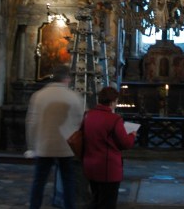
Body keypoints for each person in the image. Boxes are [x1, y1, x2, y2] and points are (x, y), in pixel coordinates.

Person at [26, 65, 84, 209]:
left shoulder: (39, 95)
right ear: (66, 78)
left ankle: (34, 206)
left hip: (44, 145)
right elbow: (80, 122)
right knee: (68, 181)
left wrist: (31, 146)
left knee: (39, 181)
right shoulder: (74, 96)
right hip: (66, 146)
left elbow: (31, 122)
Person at [82, 87, 136, 209]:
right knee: (107, 203)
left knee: (96, 200)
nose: (116, 104)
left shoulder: (88, 115)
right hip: (107, 168)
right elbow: (126, 143)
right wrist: (132, 134)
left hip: (90, 165)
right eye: (116, 101)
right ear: (112, 101)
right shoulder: (114, 119)